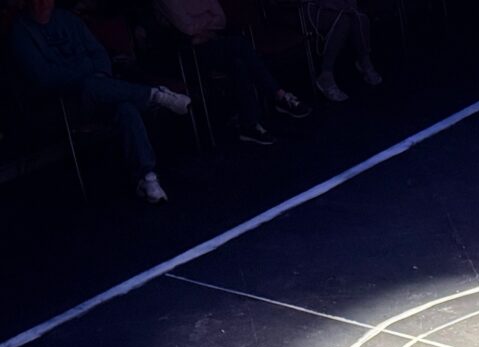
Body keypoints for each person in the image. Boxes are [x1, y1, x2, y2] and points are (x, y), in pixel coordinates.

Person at [8, 0, 193, 202]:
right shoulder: (20, 31)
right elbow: (45, 78)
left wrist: (84, 73)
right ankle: (155, 95)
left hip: (96, 92)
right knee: (90, 85)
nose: (43, 3)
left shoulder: (68, 20)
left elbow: (101, 57)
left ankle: (147, 176)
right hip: (59, 104)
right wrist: (85, 72)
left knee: (125, 107)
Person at [156, 0, 311, 145]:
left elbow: (221, 19)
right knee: (239, 45)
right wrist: (209, 21)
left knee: (238, 63)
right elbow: (186, 27)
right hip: (189, 53)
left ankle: (250, 124)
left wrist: (202, 29)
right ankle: (279, 95)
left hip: (214, 41)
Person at [305, 0, 381, 102]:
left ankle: (364, 61)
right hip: (311, 7)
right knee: (342, 21)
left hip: (336, 6)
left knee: (360, 17)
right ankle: (326, 75)